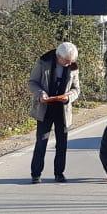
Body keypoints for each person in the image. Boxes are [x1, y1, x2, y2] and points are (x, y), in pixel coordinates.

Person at [27, 42, 81, 183]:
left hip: (63, 110)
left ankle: (59, 173)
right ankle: (36, 174)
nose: (69, 63)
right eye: (66, 60)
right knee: (41, 142)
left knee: (62, 144)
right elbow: (32, 82)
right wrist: (40, 94)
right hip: (44, 109)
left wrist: (68, 97)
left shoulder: (73, 66)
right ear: (58, 56)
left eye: (71, 61)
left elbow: (76, 89)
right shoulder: (43, 62)